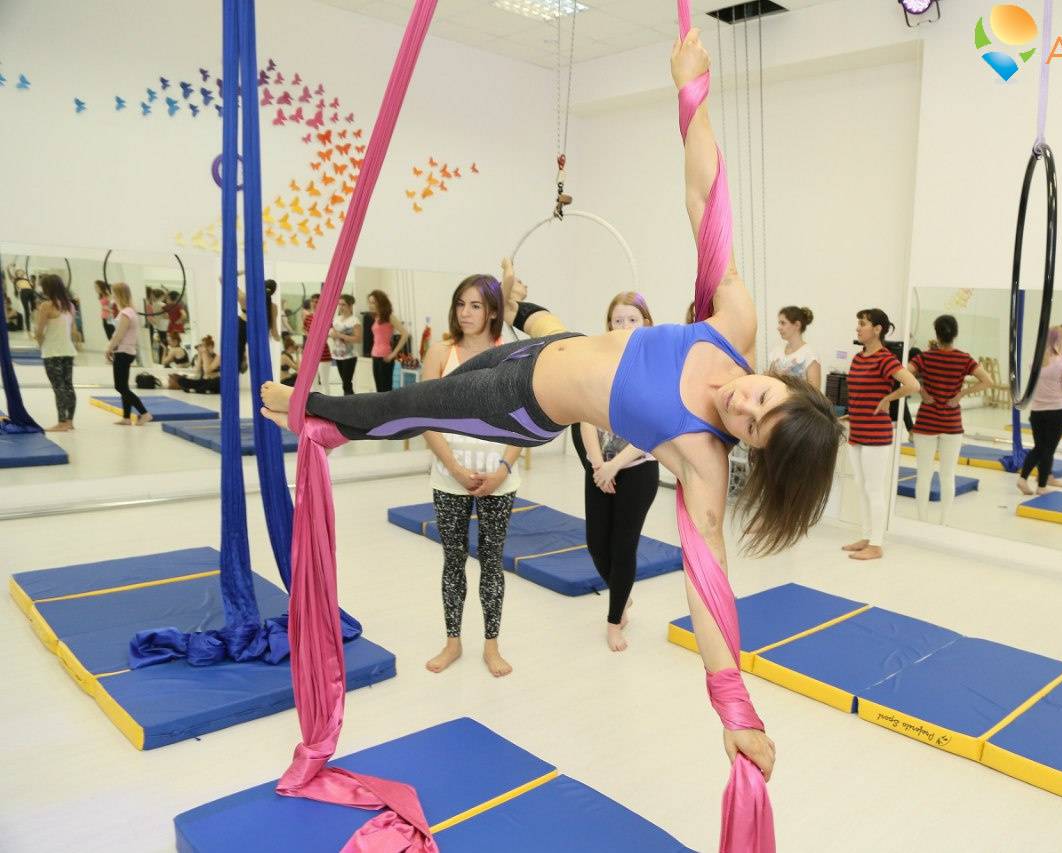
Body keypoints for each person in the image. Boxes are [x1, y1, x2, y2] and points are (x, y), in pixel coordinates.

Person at [260, 31, 839, 782]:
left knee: (413, 402)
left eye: (751, 428)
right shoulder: (733, 329)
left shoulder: (700, 457)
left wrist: (735, 708)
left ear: (750, 450)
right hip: (541, 348)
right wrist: (690, 93)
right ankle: (328, 406)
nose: (740, 406)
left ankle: (309, 414)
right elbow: (705, 196)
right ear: (777, 378)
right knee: (547, 326)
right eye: (760, 397)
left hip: (519, 402)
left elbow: (709, 579)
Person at [420, 275, 523, 677]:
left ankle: (491, 646)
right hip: (449, 476)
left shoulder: (510, 355)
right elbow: (423, 415)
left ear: (493, 311)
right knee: (453, 560)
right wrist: (457, 468)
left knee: (492, 562)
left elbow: (522, 421)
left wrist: (502, 469)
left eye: (476, 305)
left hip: (499, 478)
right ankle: (452, 642)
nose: (465, 312)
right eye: (461, 303)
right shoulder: (440, 352)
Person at [572, 292, 660, 652]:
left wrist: (614, 465)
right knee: (596, 544)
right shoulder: (598, 365)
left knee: (623, 547)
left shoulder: (653, 371)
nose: (623, 326)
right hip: (599, 468)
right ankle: (622, 595)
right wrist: (598, 465)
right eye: (617, 320)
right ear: (608, 325)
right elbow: (585, 418)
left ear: (646, 325)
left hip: (636, 470)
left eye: (631, 320)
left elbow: (651, 430)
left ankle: (614, 620)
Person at [840, 309, 920, 561]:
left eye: (862, 324)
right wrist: (851, 414)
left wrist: (889, 398)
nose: (857, 328)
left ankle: (876, 543)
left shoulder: (886, 358)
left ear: (877, 330)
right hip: (857, 431)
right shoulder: (858, 358)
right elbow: (857, 394)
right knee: (861, 487)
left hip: (877, 434)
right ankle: (866, 535)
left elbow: (912, 385)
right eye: (858, 323)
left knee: (874, 489)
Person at [907, 315, 992, 525]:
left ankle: (921, 520)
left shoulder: (925, 358)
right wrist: (961, 394)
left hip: (926, 422)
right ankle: (943, 521)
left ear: (936, 334)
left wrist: (923, 392)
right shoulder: (964, 359)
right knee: (948, 475)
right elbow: (987, 381)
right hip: (951, 424)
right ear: (955, 334)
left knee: (924, 474)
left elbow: (903, 374)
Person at [1017, 326, 1062, 495]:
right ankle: (1042, 486)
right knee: (1048, 449)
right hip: (1056, 411)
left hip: (1037, 412)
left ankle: (1022, 478)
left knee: (1039, 448)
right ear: (1058, 341)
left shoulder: (1036, 361)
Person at [32, 274, 81, 431]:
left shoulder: (46, 306)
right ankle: (70, 421)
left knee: (58, 387)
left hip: (53, 351)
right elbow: (73, 330)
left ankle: (62, 422)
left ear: (47, 288)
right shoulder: (70, 306)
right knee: (68, 386)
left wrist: (40, 344)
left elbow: (39, 332)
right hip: (67, 350)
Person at [104, 282, 151, 425]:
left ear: (118, 294)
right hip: (126, 351)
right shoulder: (130, 311)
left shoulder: (126, 313)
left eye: (113, 293)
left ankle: (144, 413)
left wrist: (109, 348)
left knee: (120, 386)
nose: (112, 296)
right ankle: (126, 417)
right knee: (124, 385)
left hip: (123, 351)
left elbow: (119, 335)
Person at [366, 289, 409, 392]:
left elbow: (405, 334)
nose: (370, 305)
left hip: (385, 357)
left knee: (385, 390)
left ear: (380, 302)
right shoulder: (376, 317)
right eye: (370, 302)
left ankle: (388, 408)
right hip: (375, 355)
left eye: (373, 302)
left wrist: (393, 354)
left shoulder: (389, 316)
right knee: (379, 389)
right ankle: (381, 408)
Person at [770, 306, 821, 390]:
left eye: (783, 323)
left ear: (797, 325)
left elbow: (815, 393)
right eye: (779, 323)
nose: (778, 327)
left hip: (798, 403)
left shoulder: (810, 355)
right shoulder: (777, 351)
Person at [237, 278, 281, 374]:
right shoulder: (273, 307)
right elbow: (274, 333)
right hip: (257, 334)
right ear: (272, 293)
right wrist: (280, 339)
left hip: (241, 329)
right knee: (259, 366)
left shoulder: (245, 299)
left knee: (236, 359)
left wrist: (243, 271)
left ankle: (241, 359)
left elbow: (223, 279)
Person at [328, 294, 361, 395]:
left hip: (349, 356)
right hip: (337, 355)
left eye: (343, 305)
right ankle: (350, 403)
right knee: (345, 383)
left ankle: (349, 404)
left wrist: (339, 335)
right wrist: (333, 335)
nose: (340, 307)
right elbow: (334, 336)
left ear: (350, 306)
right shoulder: (337, 319)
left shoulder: (354, 320)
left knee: (346, 384)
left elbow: (358, 339)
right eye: (339, 304)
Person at [300, 296, 331, 393]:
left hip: (323, 353)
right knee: (312, 381)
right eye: (312, 301)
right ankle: (315, 404)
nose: (314, 303)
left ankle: (328, 403)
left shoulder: (326, 317)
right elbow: (304, 329)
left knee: (324, 381)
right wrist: (309, 336)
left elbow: (328, 333)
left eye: (317, 301)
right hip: (310, 352)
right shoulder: (308, 317)